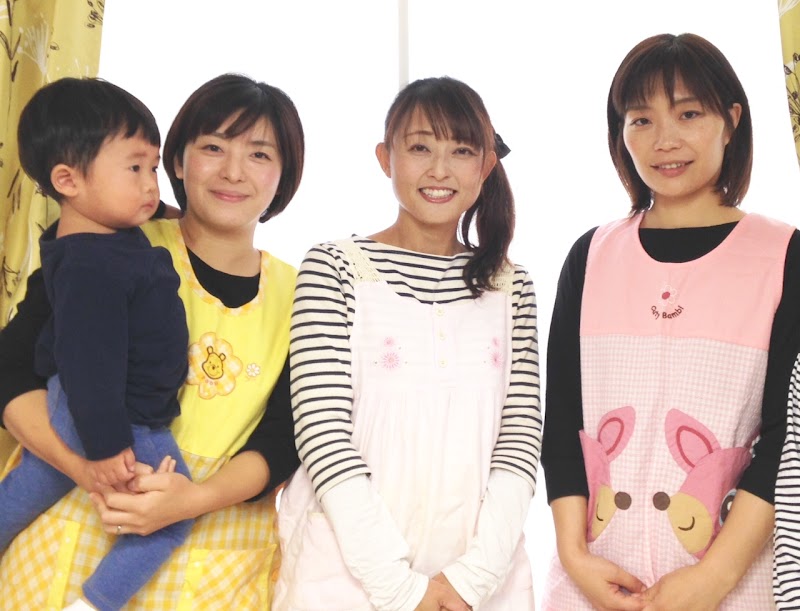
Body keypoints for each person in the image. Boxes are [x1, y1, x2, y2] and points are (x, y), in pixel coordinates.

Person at [0, 73, 304, 609]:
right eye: (213, 147)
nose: (233, 171)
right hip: (65, 548)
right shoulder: (106, 239)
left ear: (284, 176)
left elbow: (285, 438)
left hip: (218, 572)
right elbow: (11, 370)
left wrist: (193, 499)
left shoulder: (303, 294)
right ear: (177, 161)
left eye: (259, 154)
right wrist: (84, 467)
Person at [540, 33, 800, 610]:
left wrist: (713, 580)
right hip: (596, 585)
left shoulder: (784, 256)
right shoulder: (591, 255)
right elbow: (560, 427)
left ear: (731, 121)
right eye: (641, 120)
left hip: (733, 589)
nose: (665, 140)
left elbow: (787, 447)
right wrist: (575, 557)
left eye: (689, 114)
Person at [273, 76, 541, 611]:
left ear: (486, 165)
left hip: (479, 580)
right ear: (385, 157)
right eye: (420, 148)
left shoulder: (511, 285)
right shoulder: (335, 267)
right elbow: (322, 433)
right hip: (347, 576)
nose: (439, 170)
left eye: (461, 151)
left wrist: (472, 580)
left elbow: (519, 443)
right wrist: (399, 589)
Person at [0, 77, 193, 611]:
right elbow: (89, 365)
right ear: (67, 180)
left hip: (102, 408)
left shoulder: (94, 236)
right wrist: (108, 446)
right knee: (170, 518)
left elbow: (125, 204)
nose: (151, 184)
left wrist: (160, 208)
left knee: (31, 484)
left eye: (153, 168)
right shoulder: (92, 268)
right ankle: (94, 604)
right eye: (135, 168)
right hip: (120, 417)